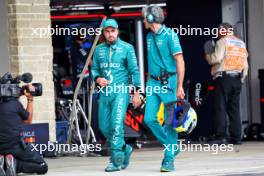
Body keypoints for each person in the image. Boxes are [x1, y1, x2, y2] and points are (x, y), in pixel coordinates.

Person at [91, 18, 141, 172]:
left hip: (121, 92)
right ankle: (125, 148)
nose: (110, 34)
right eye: (107, 31)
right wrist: (97, 78)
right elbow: (94, 69)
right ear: (104, 33)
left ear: (118, 31)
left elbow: (134, 71)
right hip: (105, 94)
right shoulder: (98, 50)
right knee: (104, 127)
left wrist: (137, 92)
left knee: (116, 126)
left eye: (113, 31)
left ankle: (116, 159)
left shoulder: (127, 48)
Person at [141, 5, 185, 172]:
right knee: (149, 118)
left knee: (170, 122)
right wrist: (146, 86)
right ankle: (172, 147)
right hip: (152, 83)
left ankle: (168, 159)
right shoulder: (148, 37)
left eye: (145, 17)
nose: (143, 20)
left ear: (151, 18)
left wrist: (179, 86)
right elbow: (151, 62)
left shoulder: (170, 35)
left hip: (169, 82)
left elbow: (180, 61)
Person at [204, 22, 249, 145]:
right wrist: (242, 79)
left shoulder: (222, 42)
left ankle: (221, 136)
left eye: (219, 31)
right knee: (234, 109)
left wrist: (208, 54)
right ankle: (236, 137)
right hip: (237, 79)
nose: (218, 33)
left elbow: (216, 58)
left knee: (220, 107)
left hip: (224, 78)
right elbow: (245, 64)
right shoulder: (241, 43)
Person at [0, 85, 48, 176]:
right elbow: (28, 121)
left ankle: (3, 163)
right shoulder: (15, 104)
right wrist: (30, 98)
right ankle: (15, 164)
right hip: (15, 146)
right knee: (42, 166)